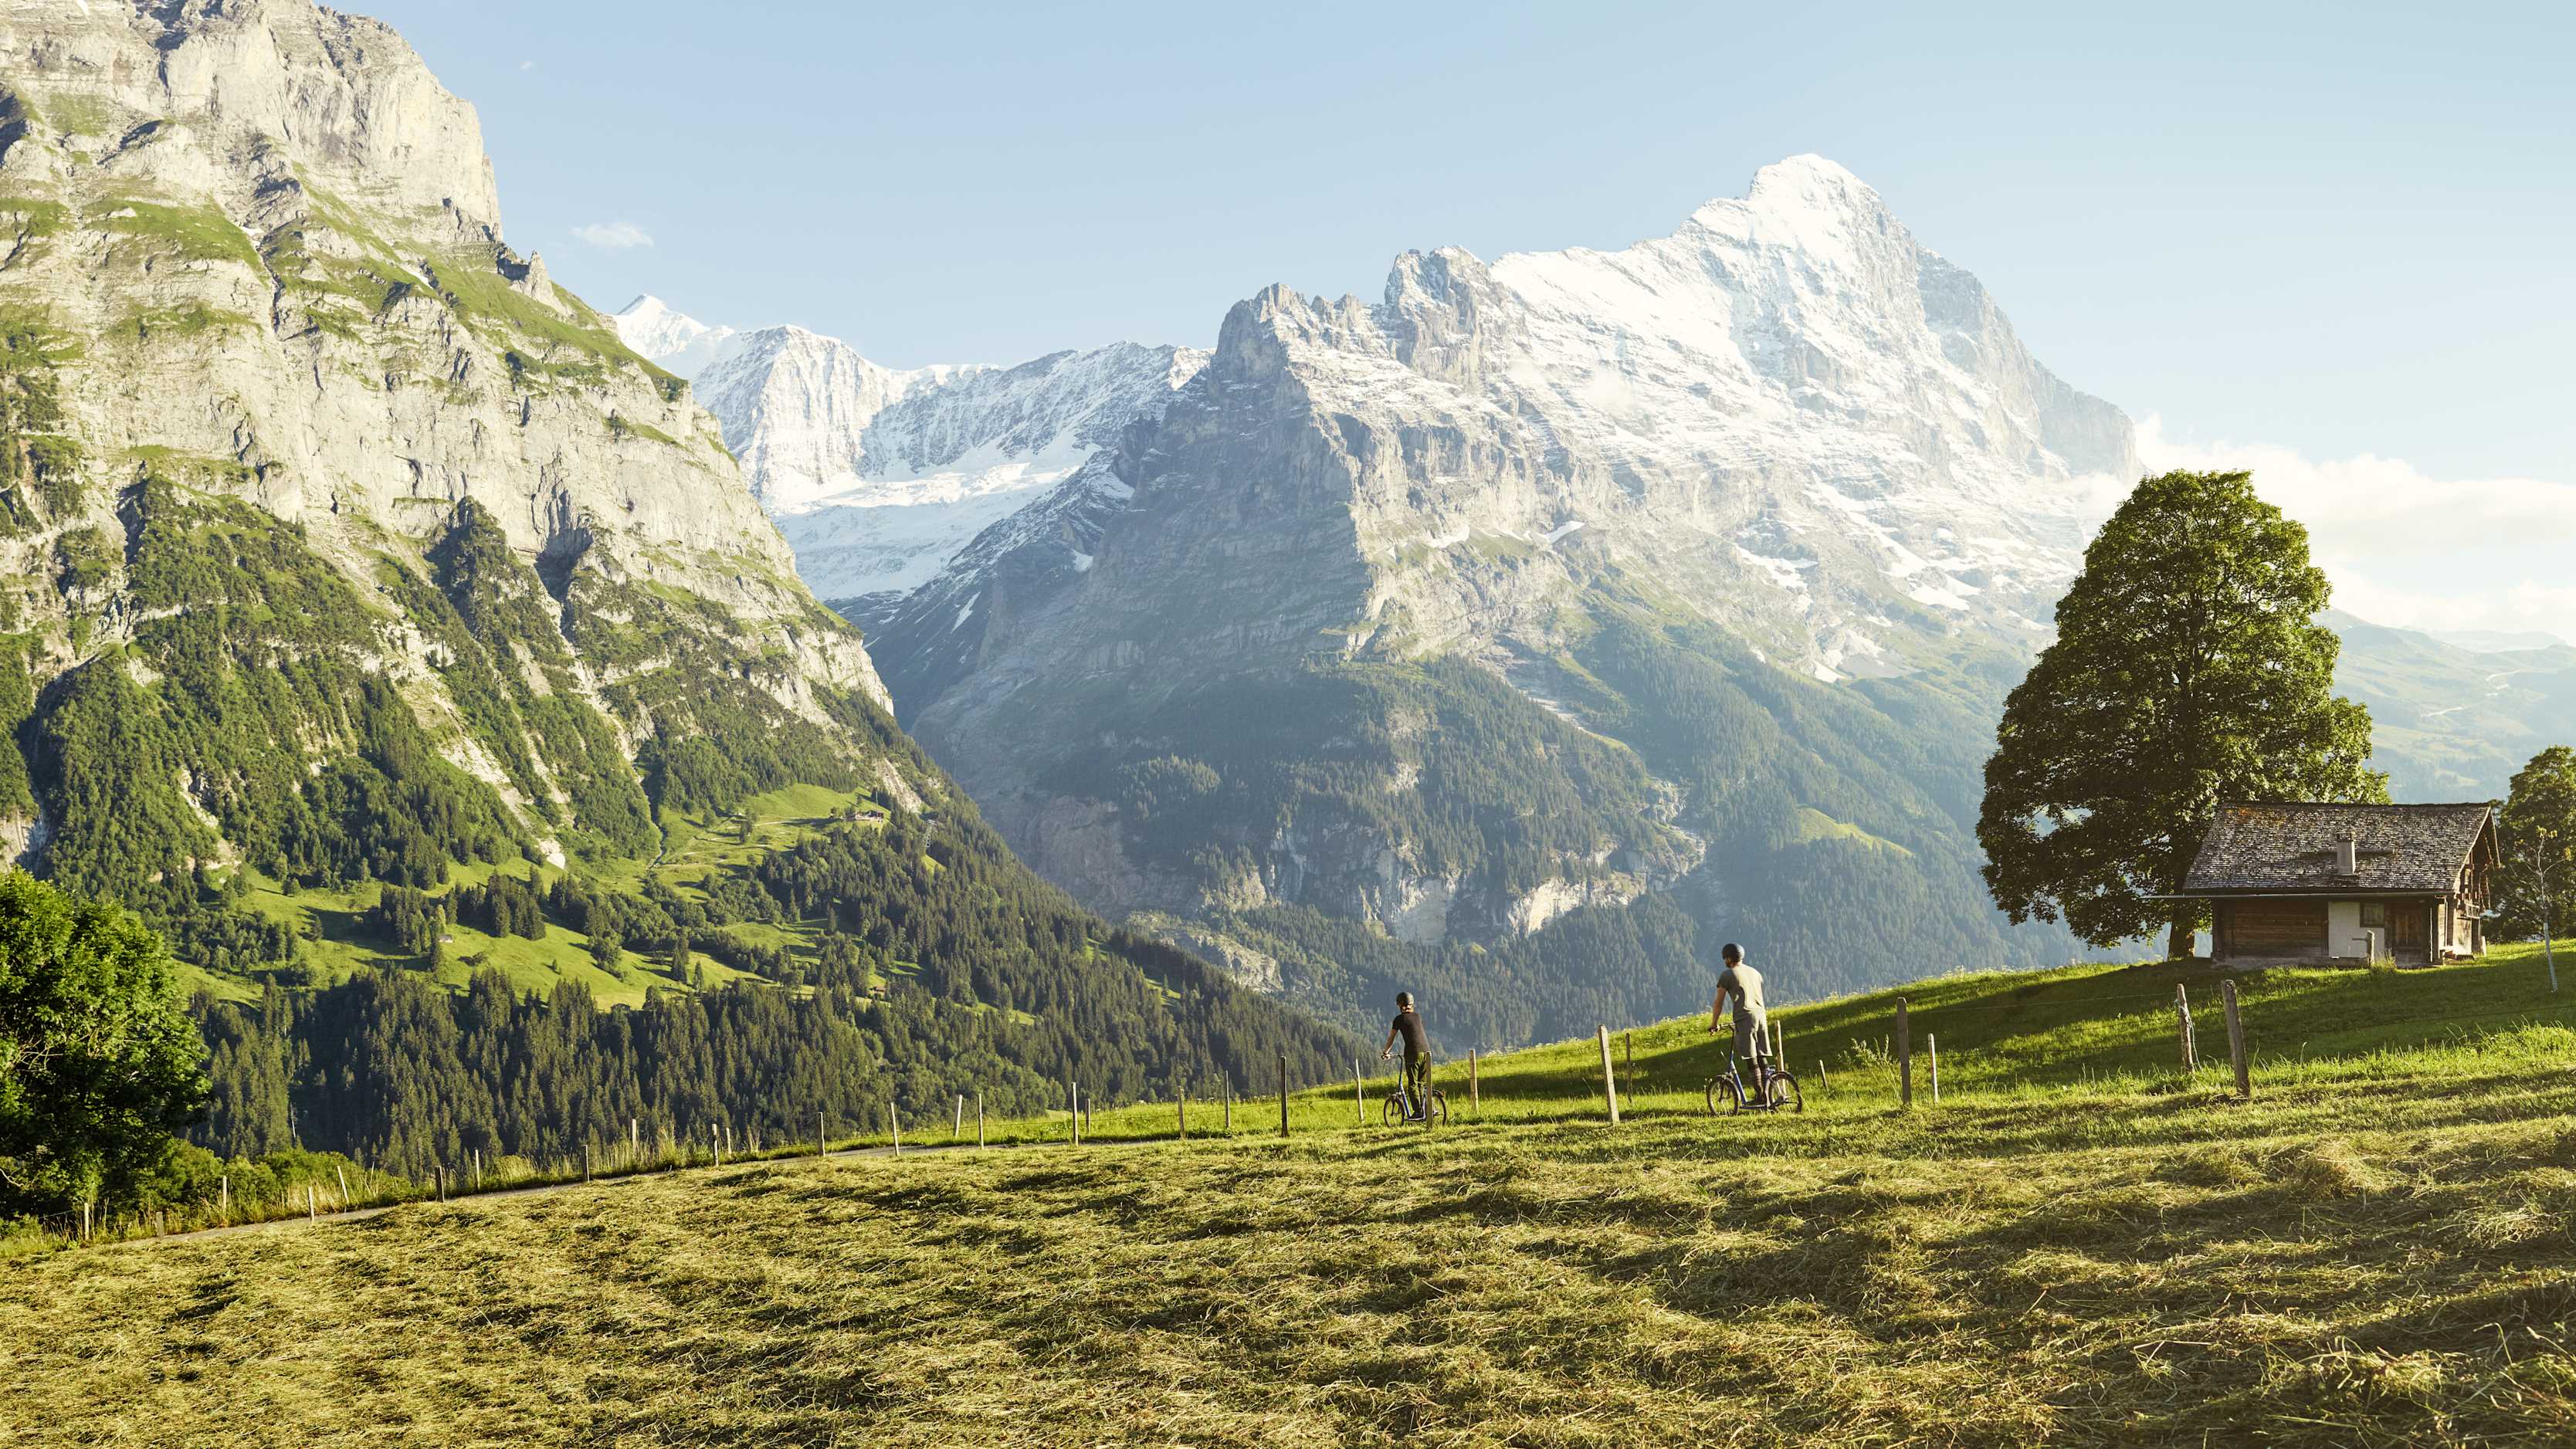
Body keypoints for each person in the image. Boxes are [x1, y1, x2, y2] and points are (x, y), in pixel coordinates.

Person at [1707, 942, 1768, 1075]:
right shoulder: (1755, 973)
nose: (1725, 960)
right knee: (1761, 1055)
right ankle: (1770, 1084)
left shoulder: (1728, 975)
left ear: (1729, 958)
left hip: (1745, 1017)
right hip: (1761, 1016)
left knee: (1751, 1059)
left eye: (1725, 958)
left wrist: (1714, 1024)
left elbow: (1718, 1003)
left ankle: (1759, 1088)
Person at [1379, 991, 1432, 1115]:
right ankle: (1428, 1109)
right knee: (1422, 1084)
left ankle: (1418, 1112)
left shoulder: (1399, 1019)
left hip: (1413, 1053)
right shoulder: (1417, 1016)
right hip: (1427, 1052)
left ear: (1400, 1004)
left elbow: (1391, 1037)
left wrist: (1386, 1052)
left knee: (1413, 1084)